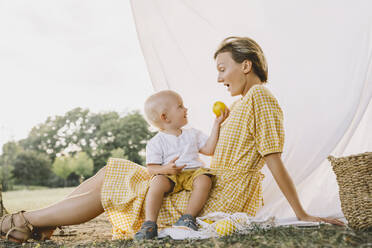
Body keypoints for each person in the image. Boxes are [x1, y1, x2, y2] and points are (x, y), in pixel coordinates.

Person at [0, 36, 344, 243]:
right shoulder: (241, 105)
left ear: (246, 65)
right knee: (114, 172)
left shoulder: (260, 99)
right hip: (206, 184)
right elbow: (212, 149)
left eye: (223, 68)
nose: (219, 77)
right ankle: (35, 224)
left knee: (114, 181)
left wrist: (302, 213)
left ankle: (24, 222)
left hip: (217, 196)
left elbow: (273, 158)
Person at [134, 90, 228, 239]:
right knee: (157, 182)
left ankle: (187, 218)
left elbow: (209, 149)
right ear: (165, 117)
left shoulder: (193, 134)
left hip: (194, 172)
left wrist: (217, 124)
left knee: (205, 179)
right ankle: (150, 224)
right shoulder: (156, 142)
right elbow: (151, 168)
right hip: (170, 175)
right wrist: (165, 169)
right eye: (180, 106)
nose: (186, 109)